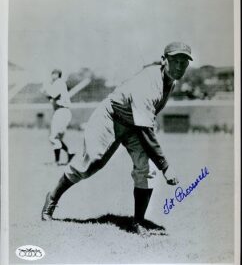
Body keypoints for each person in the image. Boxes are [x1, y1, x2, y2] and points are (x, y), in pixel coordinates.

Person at [41, 42, 193, 235]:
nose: (179, 66)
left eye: (184, 62)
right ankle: (52, 198)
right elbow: (146, 130)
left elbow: (143, 124)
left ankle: (138, 222)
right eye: (175, 60)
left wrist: (158, 165)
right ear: (164, 60)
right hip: (111, 117)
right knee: (91, 163)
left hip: (134, 124)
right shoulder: (148, 82)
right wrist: (165, 166)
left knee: (146, 171)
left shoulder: (171, 80)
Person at [41, 69, 75, 165]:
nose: (52, 75)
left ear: (57, 75)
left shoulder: (59, 83)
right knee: (56, 137)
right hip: (61, 111)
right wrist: (46, 91)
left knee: (53, 137)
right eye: (52, 73)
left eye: (54, 73)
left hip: (62, 111)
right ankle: (70, 153)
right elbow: (52, 97)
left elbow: (53, 95)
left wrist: (45, 89)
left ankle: (57, 161)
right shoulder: (58, 84)